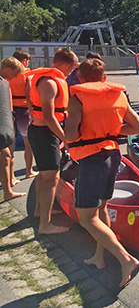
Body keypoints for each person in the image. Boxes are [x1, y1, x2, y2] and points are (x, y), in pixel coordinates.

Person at [64, 58, 139, 287]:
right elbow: (138, 127)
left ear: (80, 78)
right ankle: (99, 258)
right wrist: (110, 131)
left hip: (91, 160)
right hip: (112, 156)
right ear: (104, 78)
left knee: (87, 218)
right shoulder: (118, 95)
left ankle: (125, 259)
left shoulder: (78, 98)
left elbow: (69, 136)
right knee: (102, 208)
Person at [28, 47, 78, 234]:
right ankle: (45, 225)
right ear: (66, 64)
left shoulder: (48, 79)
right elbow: (49, 116)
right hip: (44, 133)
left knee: (44, 175)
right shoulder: (49, 82)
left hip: (44, 132)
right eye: (72, 68)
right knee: (51, 178)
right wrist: (65, 137)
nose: (71, 72)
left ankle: (40, 210)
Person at [1, 56, 37, 181]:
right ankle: (29, 171)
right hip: (23, 110)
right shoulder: (26, 75)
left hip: (9, 110)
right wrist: (32, 113)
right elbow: (29, 94)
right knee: (28, 143)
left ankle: (11, 178)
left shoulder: (4, 79)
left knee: (10, 145)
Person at [0, 69, 25, 201]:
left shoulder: (3, 83)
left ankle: (8, 192)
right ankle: (8, 192)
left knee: (6, 156)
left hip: (3, 129)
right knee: (5, 156)